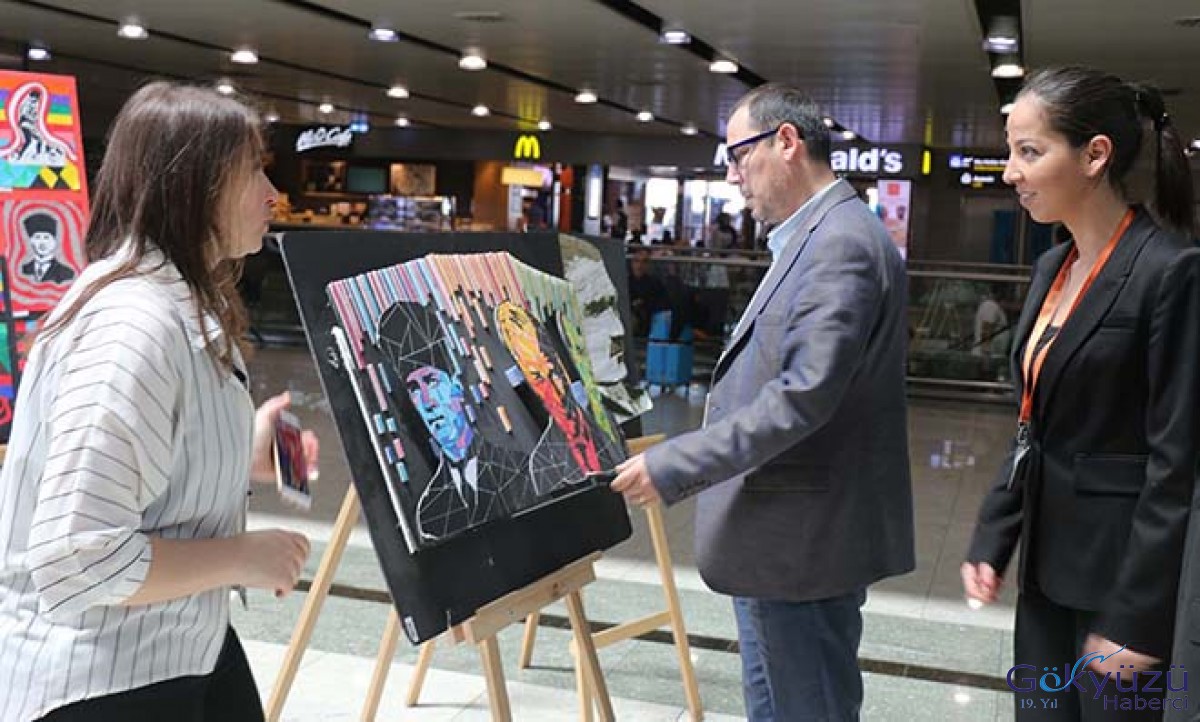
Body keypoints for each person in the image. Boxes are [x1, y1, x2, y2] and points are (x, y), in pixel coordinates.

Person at [0, 82, 319, 722]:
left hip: (176, 644)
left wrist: (243, 451)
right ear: (195, 186)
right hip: (101, 678)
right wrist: (242, 556)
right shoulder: (132, 328)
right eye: (252, 170)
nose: (272, 194)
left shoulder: (173, 304)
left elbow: (142, 467)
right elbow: (80, 558)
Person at [612, 82, 914, 721]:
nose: (731, 176)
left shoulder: (840, 244)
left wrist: (675, 462)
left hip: (803, 547)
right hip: (780, 541)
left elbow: (803, 396)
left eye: (738, 155)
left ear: (787, 142)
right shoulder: (810, 237)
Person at [961, 66, 1197, 721]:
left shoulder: (1170, 271)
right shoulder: (1051, 267)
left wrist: (1138, 619)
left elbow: (1176, 463)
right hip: (1046, 573)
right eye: (1011, 151)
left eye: (1029, 152)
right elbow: (1032, 423)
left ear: (1095, 155)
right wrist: (995, 532)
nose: (1011, 172)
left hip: (1119, 585)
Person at [374, 300, 527, 543]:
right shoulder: (430, 515)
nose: (427, 401)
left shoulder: (521, 470)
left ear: (456, 387)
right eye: (414, 389)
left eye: (432, 382)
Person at [18, 211, 76, 284]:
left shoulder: (66, 273)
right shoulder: (24, 270)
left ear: (54, 241)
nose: (42, 242)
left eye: (46, 237)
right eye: (37, 237)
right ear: (31, 241)